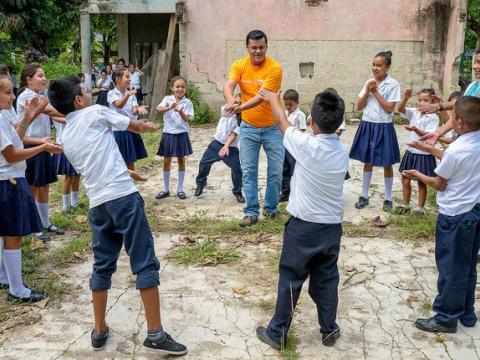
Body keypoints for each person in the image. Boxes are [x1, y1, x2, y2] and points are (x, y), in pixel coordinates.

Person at [47, 75, 187, 355]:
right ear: (78, 99)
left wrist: (126, 170)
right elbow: (132, 125)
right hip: (123, 198)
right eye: (85, 91)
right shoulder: (96, 112)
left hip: (98, 205)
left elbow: (96, 159)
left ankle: (99, 331)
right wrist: (146, 127)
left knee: (102, 266)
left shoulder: (66, 136)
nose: (88, 94)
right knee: (145, 262)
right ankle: (155, 334)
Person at [255, 89, 348, 350]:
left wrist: (273, 100)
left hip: (303, 227)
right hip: (331, 228)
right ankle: (329, 329)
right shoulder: (341, 153)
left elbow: (282, 124)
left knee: (291, 278)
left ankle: (277, 332)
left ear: (312, 121)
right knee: (327, 280)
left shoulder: (307, 145)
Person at [402, 96, 480, 333]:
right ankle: (467, 312)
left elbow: (440, 183)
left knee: (450, 267)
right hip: (474, 210)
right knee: (467, 264)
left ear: (459, 123)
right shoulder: (474, 142)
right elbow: (454, 162)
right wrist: (430, 148)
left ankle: (446, 317)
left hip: (454, 215)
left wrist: (418, 175)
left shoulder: (456, 150)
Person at [0, 74, 62, 302]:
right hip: (8, 181)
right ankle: (17, 289)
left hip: (10, 178)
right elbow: (12, 154)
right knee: (13, 234)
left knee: (7, 233)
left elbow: (15, 139)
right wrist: (43, 147)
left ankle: (6, 277)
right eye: (7, 93)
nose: (12, 96)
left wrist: (27, 117)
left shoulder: (3, 116)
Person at [224, 30, 283, 226]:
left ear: (266, 47)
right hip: (248, 127)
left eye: (261, 47)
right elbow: (229, 85)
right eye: (254, 48)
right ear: (247, 47)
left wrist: (239, 107)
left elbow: (261, 96)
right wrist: (231, 100)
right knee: (249, 171)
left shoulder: (274, 68)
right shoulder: (239, 65)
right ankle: (251, 212)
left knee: (275, 171)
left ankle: (271, 208)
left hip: (273, 127)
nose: (258, 51)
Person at [16, 64, 66, 241]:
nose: (44, 79)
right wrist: (74, 113)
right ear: (29, 80)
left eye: (44, 75)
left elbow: (54, 116)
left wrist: (72, 119)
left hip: (44, 144)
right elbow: (51, 111)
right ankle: (33, 227)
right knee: (32, 188)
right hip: (30, 147)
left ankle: (45, 223)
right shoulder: (27, 97)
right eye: (39, 76)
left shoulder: (39, 96)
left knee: (44, 186)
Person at [349, 51, 401, 211]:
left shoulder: (393, 84)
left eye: (379, 65)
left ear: (387, 67)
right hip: (368, 124)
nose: (375, 68)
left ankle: (389, 198)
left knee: (387, 162)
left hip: (384, 126)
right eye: (373, 65)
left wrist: (375, 92)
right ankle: (364, 195)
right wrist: (367, 91)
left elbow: (389, 109)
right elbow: (359, 106)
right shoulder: (369, 82)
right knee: (368, 161)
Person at [394, 88, 439, 215]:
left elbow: (429, 135)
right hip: (411, 151)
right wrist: (406, 98)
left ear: (432, 101)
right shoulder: (415, 112)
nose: (421, 103)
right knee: (405, 177)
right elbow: (400, 109)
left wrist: (415, 129)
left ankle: (420, 208)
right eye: (419, 100)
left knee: (422, 181)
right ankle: (406, 205)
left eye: (426, 100)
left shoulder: (433, 117)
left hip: (424, 153)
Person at [194, 95, 244, 203]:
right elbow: (227, 107)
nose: (235, 104)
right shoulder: (225, 110)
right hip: (216, 144)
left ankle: (237, 191)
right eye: (234, 101)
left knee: (237, 169)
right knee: (204, 163)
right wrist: (232, 105)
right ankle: (200, 184)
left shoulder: (242, 120)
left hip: (231, 148)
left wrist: (226, 147)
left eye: (239, 103)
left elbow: (233, 135)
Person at [155, 76, 194, 200]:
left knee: (181, 160)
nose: (180, 89)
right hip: (168, 133)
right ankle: (165, 189)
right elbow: (159, 109)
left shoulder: (187, 102)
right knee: (167, 160)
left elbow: (187, 118)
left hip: (181, 133)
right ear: (172, 88)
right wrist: (170, 108)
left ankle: (180, 189)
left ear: (185, 89)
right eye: (177, 86)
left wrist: (180, 111)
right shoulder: (167, 99)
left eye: (183, 87)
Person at [107, 68, 149, 170]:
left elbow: (133, 110)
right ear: (118, 79)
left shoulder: (131, 94)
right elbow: (119, 105)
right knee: (119, 161)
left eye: (130, 77)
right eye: (127, 77)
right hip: (119, 131)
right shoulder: (111, 93)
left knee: (131, 160)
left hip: (131, 128)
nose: (130, 79)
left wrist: (138, 108)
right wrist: (127, 96)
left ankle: (131, 183)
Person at [279, 89, 306, 203]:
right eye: (286, 104)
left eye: (291, 104)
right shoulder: (284, 113)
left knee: (294, 170)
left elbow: (303, 130)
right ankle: (285, 193)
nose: (288, 107)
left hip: (294, 147)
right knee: (284, 170)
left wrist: (292, 131)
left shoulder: (300, 115)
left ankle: (297, 193)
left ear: (297, 103)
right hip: (284, 145)